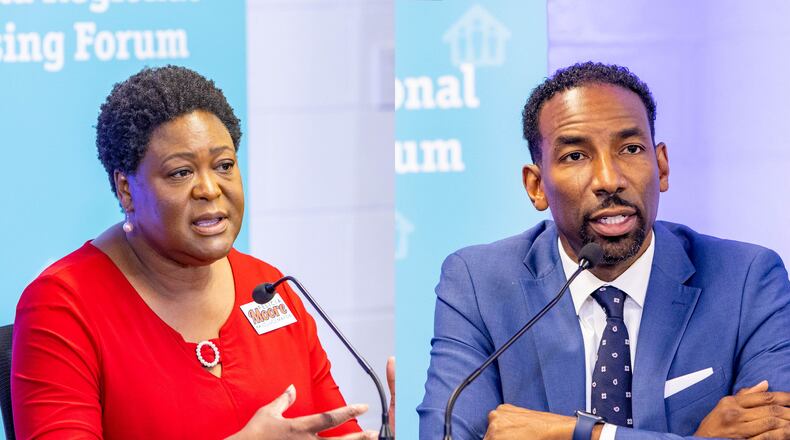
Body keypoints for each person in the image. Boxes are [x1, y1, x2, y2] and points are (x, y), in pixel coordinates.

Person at [12, 65, 392, 440]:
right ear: (126, 189)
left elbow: (332, 430)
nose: (210, 189)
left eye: (224, 165)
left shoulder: (269, 287)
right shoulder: (63, 305)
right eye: (181, 173)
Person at [418, 62, 790, 440]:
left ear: (661, 166)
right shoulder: (478, 284)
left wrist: (579, 434)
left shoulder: (747, 280)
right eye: (575, 156)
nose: (609, 180)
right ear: (536, 186)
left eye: (630, 149)